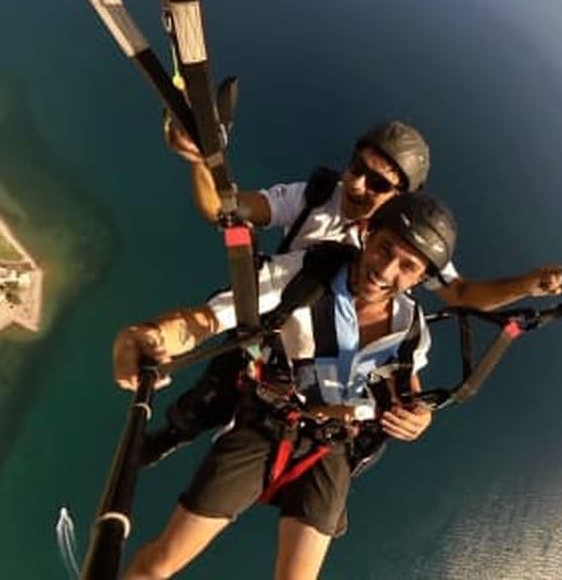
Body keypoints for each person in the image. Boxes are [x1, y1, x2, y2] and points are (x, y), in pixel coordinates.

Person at [140, 120, 562, 465]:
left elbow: (460, 293)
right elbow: (226, 209)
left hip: (323, 361)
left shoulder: (407, 248)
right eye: (356, 168)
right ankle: (173, 436)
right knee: (207, 402)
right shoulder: (314, 199)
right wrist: (198, 159)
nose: (356, 185)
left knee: (309, 435)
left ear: (403, 199)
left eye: (378, 184)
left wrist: (528, 283)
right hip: (272, 328)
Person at [114, 192, 455, 579]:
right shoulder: (302, 276)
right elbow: (208, 318)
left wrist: (419, 415)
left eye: (407, 266)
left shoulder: (410, 326)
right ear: (368, 233)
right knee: (161, 563)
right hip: (267, 423)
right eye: (384, 248)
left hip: (332, 443)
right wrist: (151, 335)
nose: (385, 269)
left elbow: (404, 375)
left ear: (421, 278)